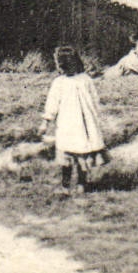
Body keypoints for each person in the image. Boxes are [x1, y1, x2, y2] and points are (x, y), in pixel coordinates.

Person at [41, 45, 109, 194]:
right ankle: (65, 186)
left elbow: (95, 100)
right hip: (67, 125)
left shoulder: (85, 80)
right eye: (63, 65)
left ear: (76, 62)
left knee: (82, 155)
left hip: (84, 125)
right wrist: (46, 121)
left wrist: (95, 118)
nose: (66, 68)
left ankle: (81, 184)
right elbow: (52, 103)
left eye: (69, 64)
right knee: (66, 156)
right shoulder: (59, 83)